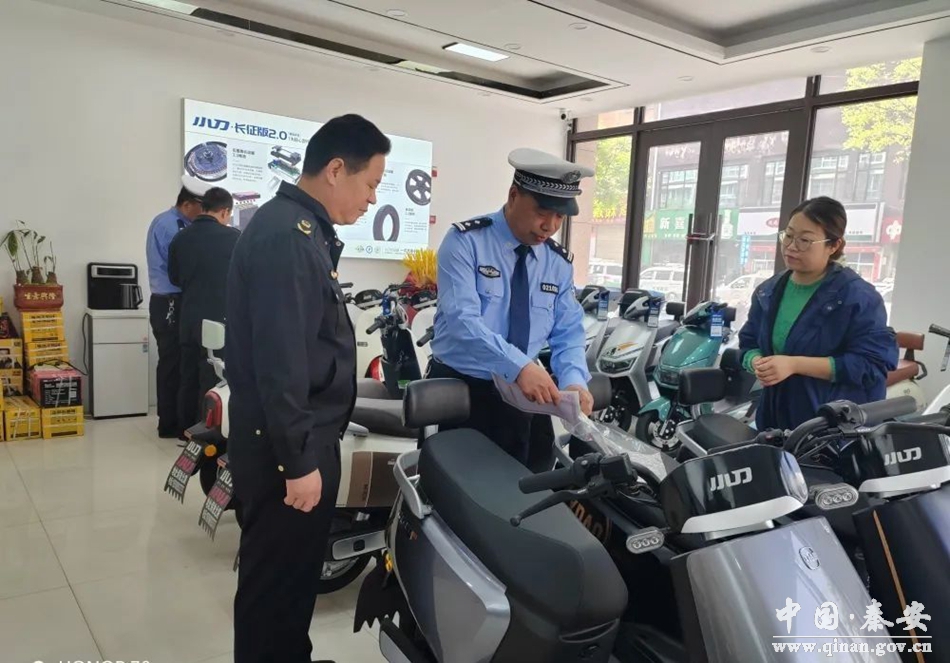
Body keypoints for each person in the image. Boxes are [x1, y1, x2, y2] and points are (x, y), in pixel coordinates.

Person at [225, 114, 390, 663]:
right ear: (336, 170)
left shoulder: (301, 230)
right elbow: (282, 361)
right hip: (286, 448)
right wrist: (297, 461)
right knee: (275, 586)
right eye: (370, 184)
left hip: (297, 438)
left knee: (292, 581)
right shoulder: (287, 238)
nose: (372, 199)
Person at [428, 148, 595, 467]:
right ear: (513, 195)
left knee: (534, 487)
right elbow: (463, 322)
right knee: (463, 491)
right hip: (465, 393)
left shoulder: (557, 263)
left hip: (527, 398)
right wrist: (519, 367)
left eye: (560, 217)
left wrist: (574, 380)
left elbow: (568, 332)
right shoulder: (465, 242)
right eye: (543, 211)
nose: (550, 226)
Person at [739, 196, 897, 431]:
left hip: (831, 427)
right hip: (775, 420)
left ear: (833, 245)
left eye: (805, 240)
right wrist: (755, 361)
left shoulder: (858, 297)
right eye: (788, 235)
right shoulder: (768, 291)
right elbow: (748, 342)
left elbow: (871, 365)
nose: (791, 246)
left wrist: (795, 365)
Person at [168, 186, 240, 431]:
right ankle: (206, 430)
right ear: (225, 211)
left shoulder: (180, 238)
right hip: (219, 319)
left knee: (187, 374)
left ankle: (185, 429)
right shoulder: (234, 239)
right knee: (213, 376)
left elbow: (174, 278)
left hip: (188, 317)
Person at [146, 174, 208, 438]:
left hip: (176, 301)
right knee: (172, 363)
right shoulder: (170, 226)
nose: (203, 214)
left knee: (182, 362)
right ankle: (169, 423)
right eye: (201, 208)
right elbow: (180, 269)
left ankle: (179, 419)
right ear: (188, 204)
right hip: (169, 302)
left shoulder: (180, 224)